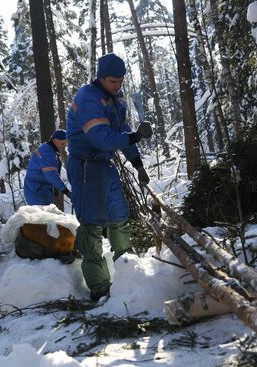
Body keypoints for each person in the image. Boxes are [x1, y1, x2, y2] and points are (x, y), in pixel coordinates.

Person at [66, 53, 152, 300]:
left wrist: (137, 163)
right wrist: (136, 137)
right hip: (85, 166)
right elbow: (102, 139)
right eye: (114, 81)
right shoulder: (88, 99)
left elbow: (121, 130)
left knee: (118, 216)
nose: (119, 85)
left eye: (121, 80)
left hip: (104, 164)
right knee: (92, 224)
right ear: (101, 78)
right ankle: (99, 286)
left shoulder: (115, 98)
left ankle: (127, 271)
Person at [24, 129, 71, 205]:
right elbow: (51, 174)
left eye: (66, 144)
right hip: (37, 192)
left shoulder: (50, 150)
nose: (64, 146)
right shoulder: (47, 152)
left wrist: (55, 188)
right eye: (63, 143)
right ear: (55, 140)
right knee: (42, 216)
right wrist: (66, 191)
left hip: (41, 190)